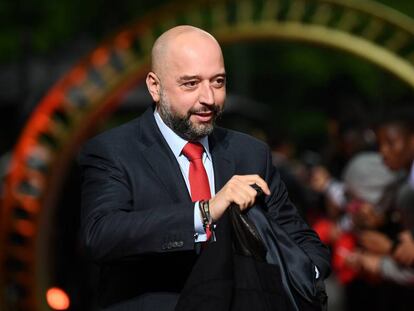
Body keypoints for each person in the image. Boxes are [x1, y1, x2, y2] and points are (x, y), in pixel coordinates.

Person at [79, 25, 330, 311]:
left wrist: (303, 278)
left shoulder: (250, 153)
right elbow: (100, 235)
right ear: (154, 86)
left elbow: (302, 241)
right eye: (191, 83)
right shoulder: (114, 151)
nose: (208, 98)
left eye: (218, 82)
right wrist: (206, 211)